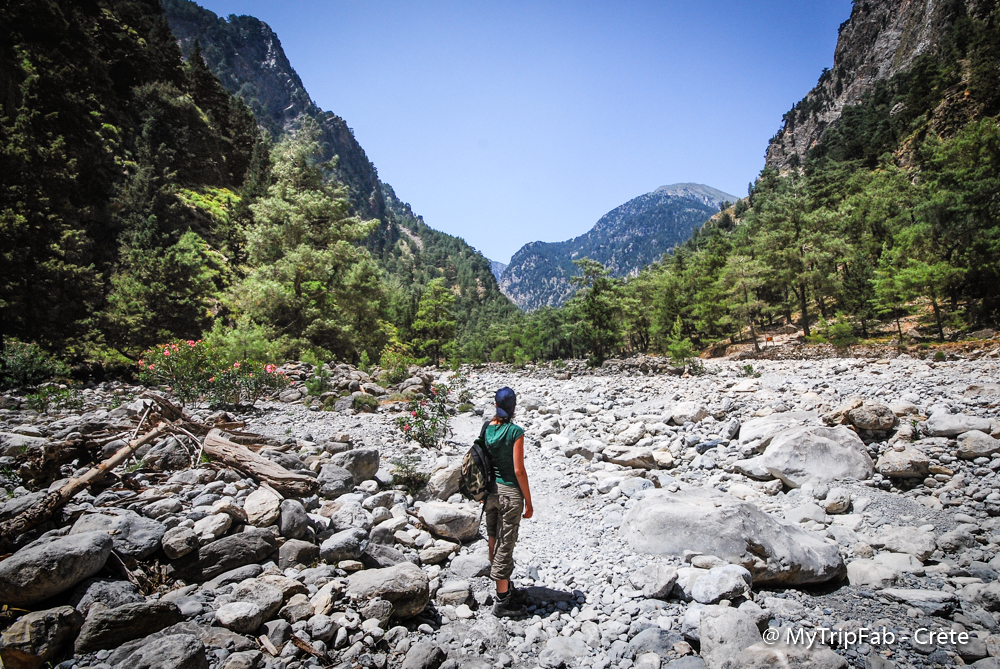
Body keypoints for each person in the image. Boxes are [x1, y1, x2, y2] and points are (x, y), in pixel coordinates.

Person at [477, 386, 533, 618]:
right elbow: (519, 470)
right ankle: (503, 601)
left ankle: (505, 586)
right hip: (509, 495)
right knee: (505, 543)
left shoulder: (486, 428)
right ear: (514, 406)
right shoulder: (515, 432)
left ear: (495, 404)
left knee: (493, 538)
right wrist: (529, 502)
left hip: (489, 493)